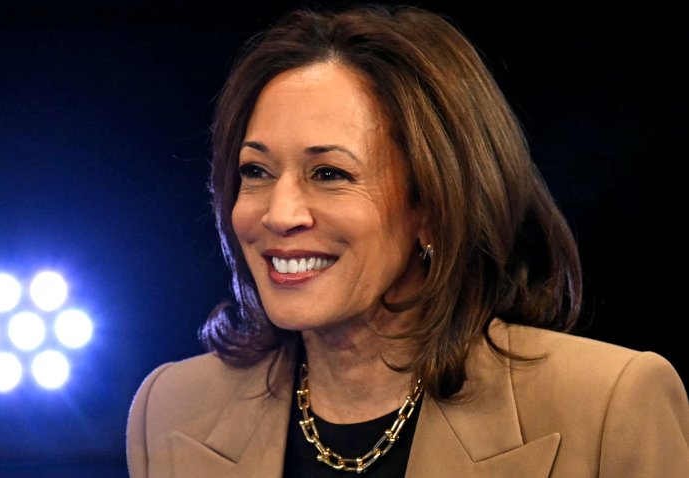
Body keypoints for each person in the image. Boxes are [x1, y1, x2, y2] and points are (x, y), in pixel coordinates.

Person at [127, 4, 689, 477]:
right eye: (256, 171)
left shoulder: (609, 404)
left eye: (329, 174)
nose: (280, 213)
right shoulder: (170, 410)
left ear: (432, 205)